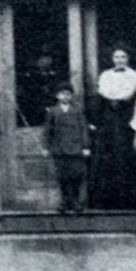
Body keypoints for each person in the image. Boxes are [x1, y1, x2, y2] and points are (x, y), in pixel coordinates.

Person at [90, 46, 136, 210]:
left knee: (126, 160)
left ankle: (129, 202)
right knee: (107, 160)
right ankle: (107, 202)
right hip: (108, 124)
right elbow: (102, 97)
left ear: (128, 58)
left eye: (123, 56)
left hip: (126, 122)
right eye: (116, 57)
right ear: (112, 59)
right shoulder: (106, 76)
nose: (119, 60)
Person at [43, 82, 91, 213]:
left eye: (68, 94)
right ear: (57, 96)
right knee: (62, 176)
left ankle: (75, 201)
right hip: (59, 149)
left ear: (72, 96)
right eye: (62, 94)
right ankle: (65, 201)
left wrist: (86, 146)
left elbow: (83, 129)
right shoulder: (52, 111)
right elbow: (48, 131)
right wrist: (46, 147)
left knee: (76, 175)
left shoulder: (77, 110)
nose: (65, 96)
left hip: (76, 148)